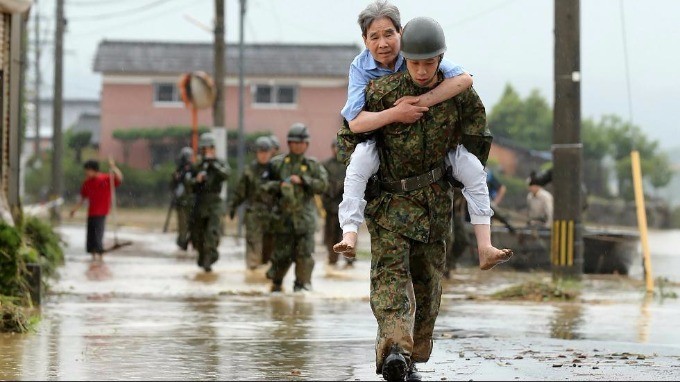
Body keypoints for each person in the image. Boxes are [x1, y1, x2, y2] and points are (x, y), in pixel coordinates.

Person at [336, 17, 506, 381]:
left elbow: (478, 127)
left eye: (430, 62)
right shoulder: (382, 92)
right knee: (390, 279)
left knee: (428, 284)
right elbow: (349, 136)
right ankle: (394, 350)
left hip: (433, 203)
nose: (423, 69)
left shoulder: (457, 94)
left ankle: (412, 355)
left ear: (440, 59)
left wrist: (459, 166)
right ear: (405, 59)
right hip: (389, 203)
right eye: (415, 62)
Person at [333, 0, 512, 272]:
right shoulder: (360, 68)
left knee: (475, 171)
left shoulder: (418, 53)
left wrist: (421, 101)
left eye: (389, 34)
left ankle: (485, 246)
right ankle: (349, 233)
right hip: (383, 145)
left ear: (401, 33)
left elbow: (464, 80)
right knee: (357, 165)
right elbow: (354, 121)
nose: (383, 43)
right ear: (365, 40)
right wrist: (397, 113)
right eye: (374, 37)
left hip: (434, 147)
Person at [263, 123, 328, 293]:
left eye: (302, 142)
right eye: (294, 142)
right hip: (282, 220)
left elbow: (322, 185)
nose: (298, 146)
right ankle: (276, 283)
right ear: (289, 143)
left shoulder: (312, 165)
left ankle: (302, 286)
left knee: (305, 256)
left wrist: (303, 180)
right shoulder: (277, 164)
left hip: (305, 220)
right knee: (281, 256)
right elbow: (264, 186)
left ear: (306, 144)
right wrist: (281, 185)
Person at [228, 136, 275, 270]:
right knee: (254, 246)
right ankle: (253, 276)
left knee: (270, 248)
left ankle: (267, 277)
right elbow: (240, 192)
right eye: (261, 152)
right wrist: (232, 207)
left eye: (266, 152)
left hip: (273, 215)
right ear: (256, 153)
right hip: (254, 214)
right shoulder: (249, 171)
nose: (264, 155)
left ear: (270, 153)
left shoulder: (276, 170)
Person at [190, 132, 231, 272]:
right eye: (205, 149)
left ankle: (211, 257)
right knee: (198, 235)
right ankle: (203, 259)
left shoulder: (220, 163)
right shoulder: (197, 165)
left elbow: (226, 174)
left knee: (212, 232)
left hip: (215, 202)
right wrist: (197, 179)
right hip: (200, 203)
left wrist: (213, 165)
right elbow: (188, 182)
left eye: (210, 148)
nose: (207, 152)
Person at [69, 158, 123, 262]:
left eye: (87, 171)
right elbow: (83, 198)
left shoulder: (106, 179)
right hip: (91, 212)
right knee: (91, 235)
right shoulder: (87, 183)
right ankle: (93, 257)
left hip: (101, 211)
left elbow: (119, 178)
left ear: (93, 170)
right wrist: (74, 209)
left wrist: (113, 167)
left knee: (98, 233)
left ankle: (100, 255)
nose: (86, 173)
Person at [321, 138, 354, 267]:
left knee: (347, 232)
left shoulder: (349, 164)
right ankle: (332, 258)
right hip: (331, 206)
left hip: (346, 206)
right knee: (331, 234)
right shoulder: (326, 165)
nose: (336, 150)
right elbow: (323, 184)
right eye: (334, 147)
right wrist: (333, 189)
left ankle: (349, 258)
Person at [171, 147, 195, 251]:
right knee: (182, 225)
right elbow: (173, 185)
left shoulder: (193, 169)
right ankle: (182, 243)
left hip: (192, 202)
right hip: (181, 202)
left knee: (193, 224)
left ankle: (193, 241)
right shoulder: (179, 169)